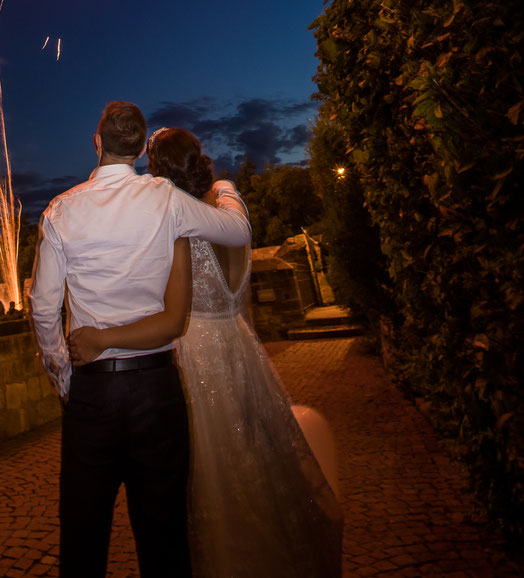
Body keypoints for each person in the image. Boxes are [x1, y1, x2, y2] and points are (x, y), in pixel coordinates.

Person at [69, 128, 343, 578]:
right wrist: (223, 183)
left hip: (189, 355)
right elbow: (228, 204)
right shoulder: (228, 210)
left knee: (196, 477)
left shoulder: (173, 226)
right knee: (254, 458)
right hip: (237, 348)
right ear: (199, 160)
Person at [28, 101, 251, 578]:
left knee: (84, 536)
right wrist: (225, 186)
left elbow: (44, 308)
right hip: (157, 389)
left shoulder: (61, 210)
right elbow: (237, 231)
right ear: (138, 148)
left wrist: (64, 376)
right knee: (165, 536)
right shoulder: (165, 200)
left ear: (97, 141)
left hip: (94, 391)